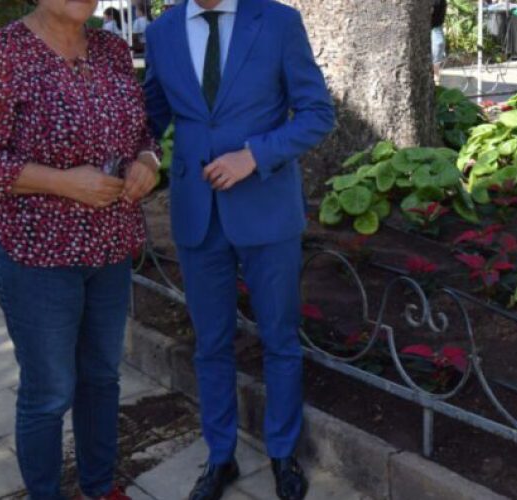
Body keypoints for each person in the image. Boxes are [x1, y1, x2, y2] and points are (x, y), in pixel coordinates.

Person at [0, 0, 160, 498]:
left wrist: (147, 161)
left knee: (100, 378)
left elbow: (142, 133)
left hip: (109, 243)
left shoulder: (112, 49)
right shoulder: (3, 52)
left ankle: (99, 486)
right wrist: (65, 184)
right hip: (34, 251)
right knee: (49, 392)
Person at [143, 0, 335, 499]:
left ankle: (282, 454)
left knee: (279, 339)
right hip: (196, 212)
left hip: (267, 209)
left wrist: (255, 155)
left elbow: (317, 113)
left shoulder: (277, 21)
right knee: (210, 345)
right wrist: (136, 155)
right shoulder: (162, 30)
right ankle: (220, 456)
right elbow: (151, 114)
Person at [432, 0, 448, 84]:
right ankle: (436, 75)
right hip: (434, 27)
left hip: (436, 26)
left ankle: (436, 75)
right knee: (438, 44)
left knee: (438, 44)